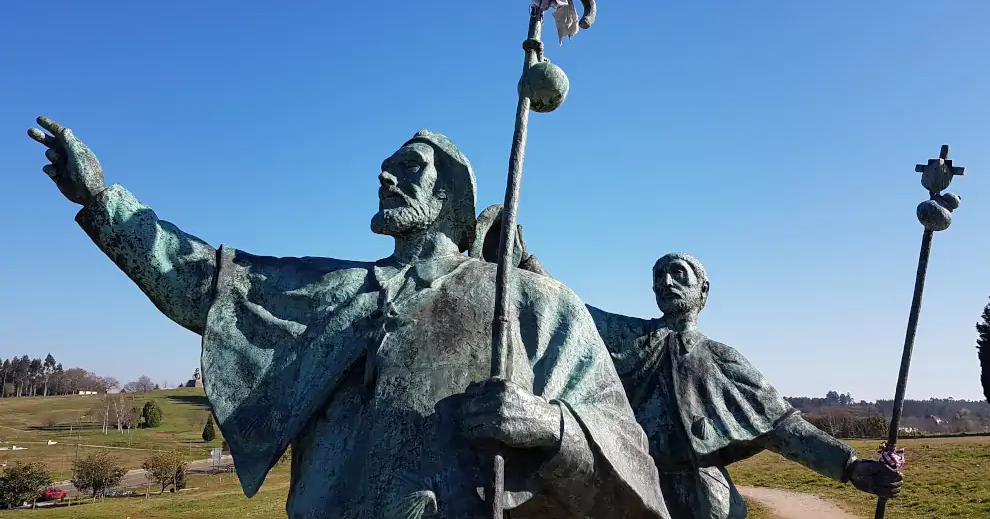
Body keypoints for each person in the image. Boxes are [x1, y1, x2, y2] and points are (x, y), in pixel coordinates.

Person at [26, 117, 668, 519]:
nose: (387, 177)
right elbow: (205, 281)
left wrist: (552, 425)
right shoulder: (338, 291)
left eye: (409, 169)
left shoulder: (532, 305)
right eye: (385, 169)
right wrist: (105, 202)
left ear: (449, 196)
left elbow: (631, 462)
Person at [588, 253, 904, 518]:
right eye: (658, 276)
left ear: (703, 289)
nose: (666, 282)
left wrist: (850, 466)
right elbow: (572, 312)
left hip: (702, 495)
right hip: (637, 482)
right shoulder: (630, 338)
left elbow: (781, 427)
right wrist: (534, 264)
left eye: (678, 273)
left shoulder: (722, 359)